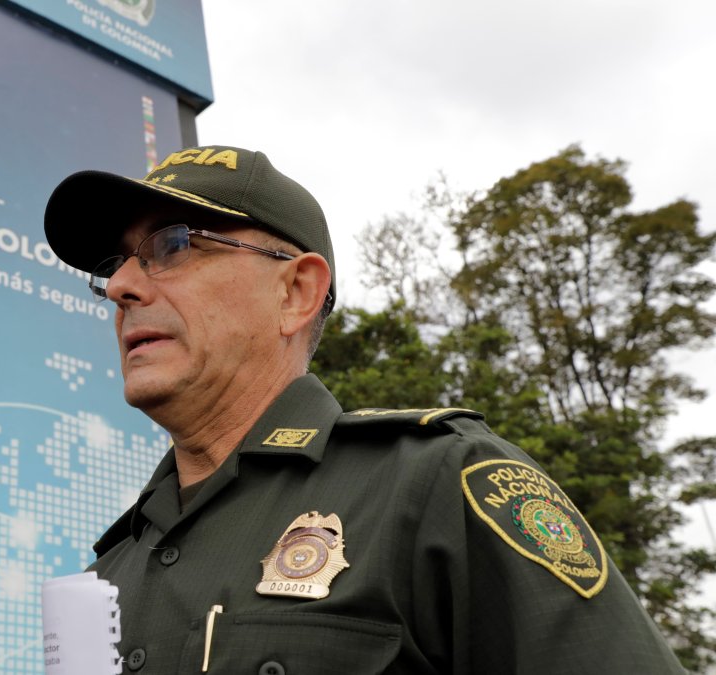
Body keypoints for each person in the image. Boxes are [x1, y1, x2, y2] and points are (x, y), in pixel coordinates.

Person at [43, 145, 685, 673]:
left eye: (173, 245)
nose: (121, 286)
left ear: (296, 293)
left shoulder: (437, 485)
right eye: (114, 264)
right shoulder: (110, 572)